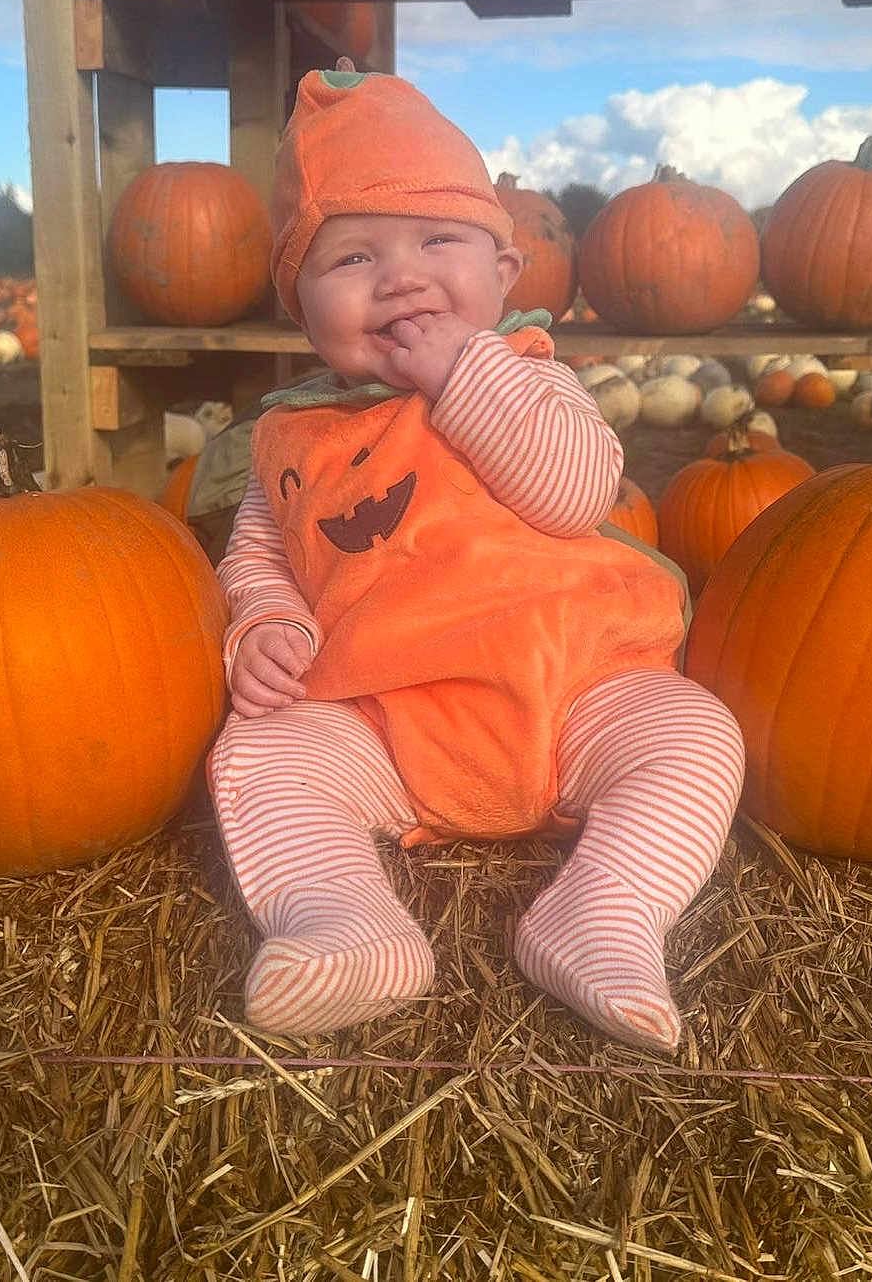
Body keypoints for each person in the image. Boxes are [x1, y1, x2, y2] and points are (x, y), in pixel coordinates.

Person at [208, 59, 745, 1052]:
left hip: (576, 694)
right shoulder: (293, 439)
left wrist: (465, 373)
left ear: (504, 274)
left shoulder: (528, 377)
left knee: (694, 736)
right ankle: (343, 921)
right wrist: (267, 619)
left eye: (437, 241)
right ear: (302, 308)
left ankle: (605, 914)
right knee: (262, 751)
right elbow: (259, 555)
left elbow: (572, 491)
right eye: (352, 258)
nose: (401, 278)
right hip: (383, 717)